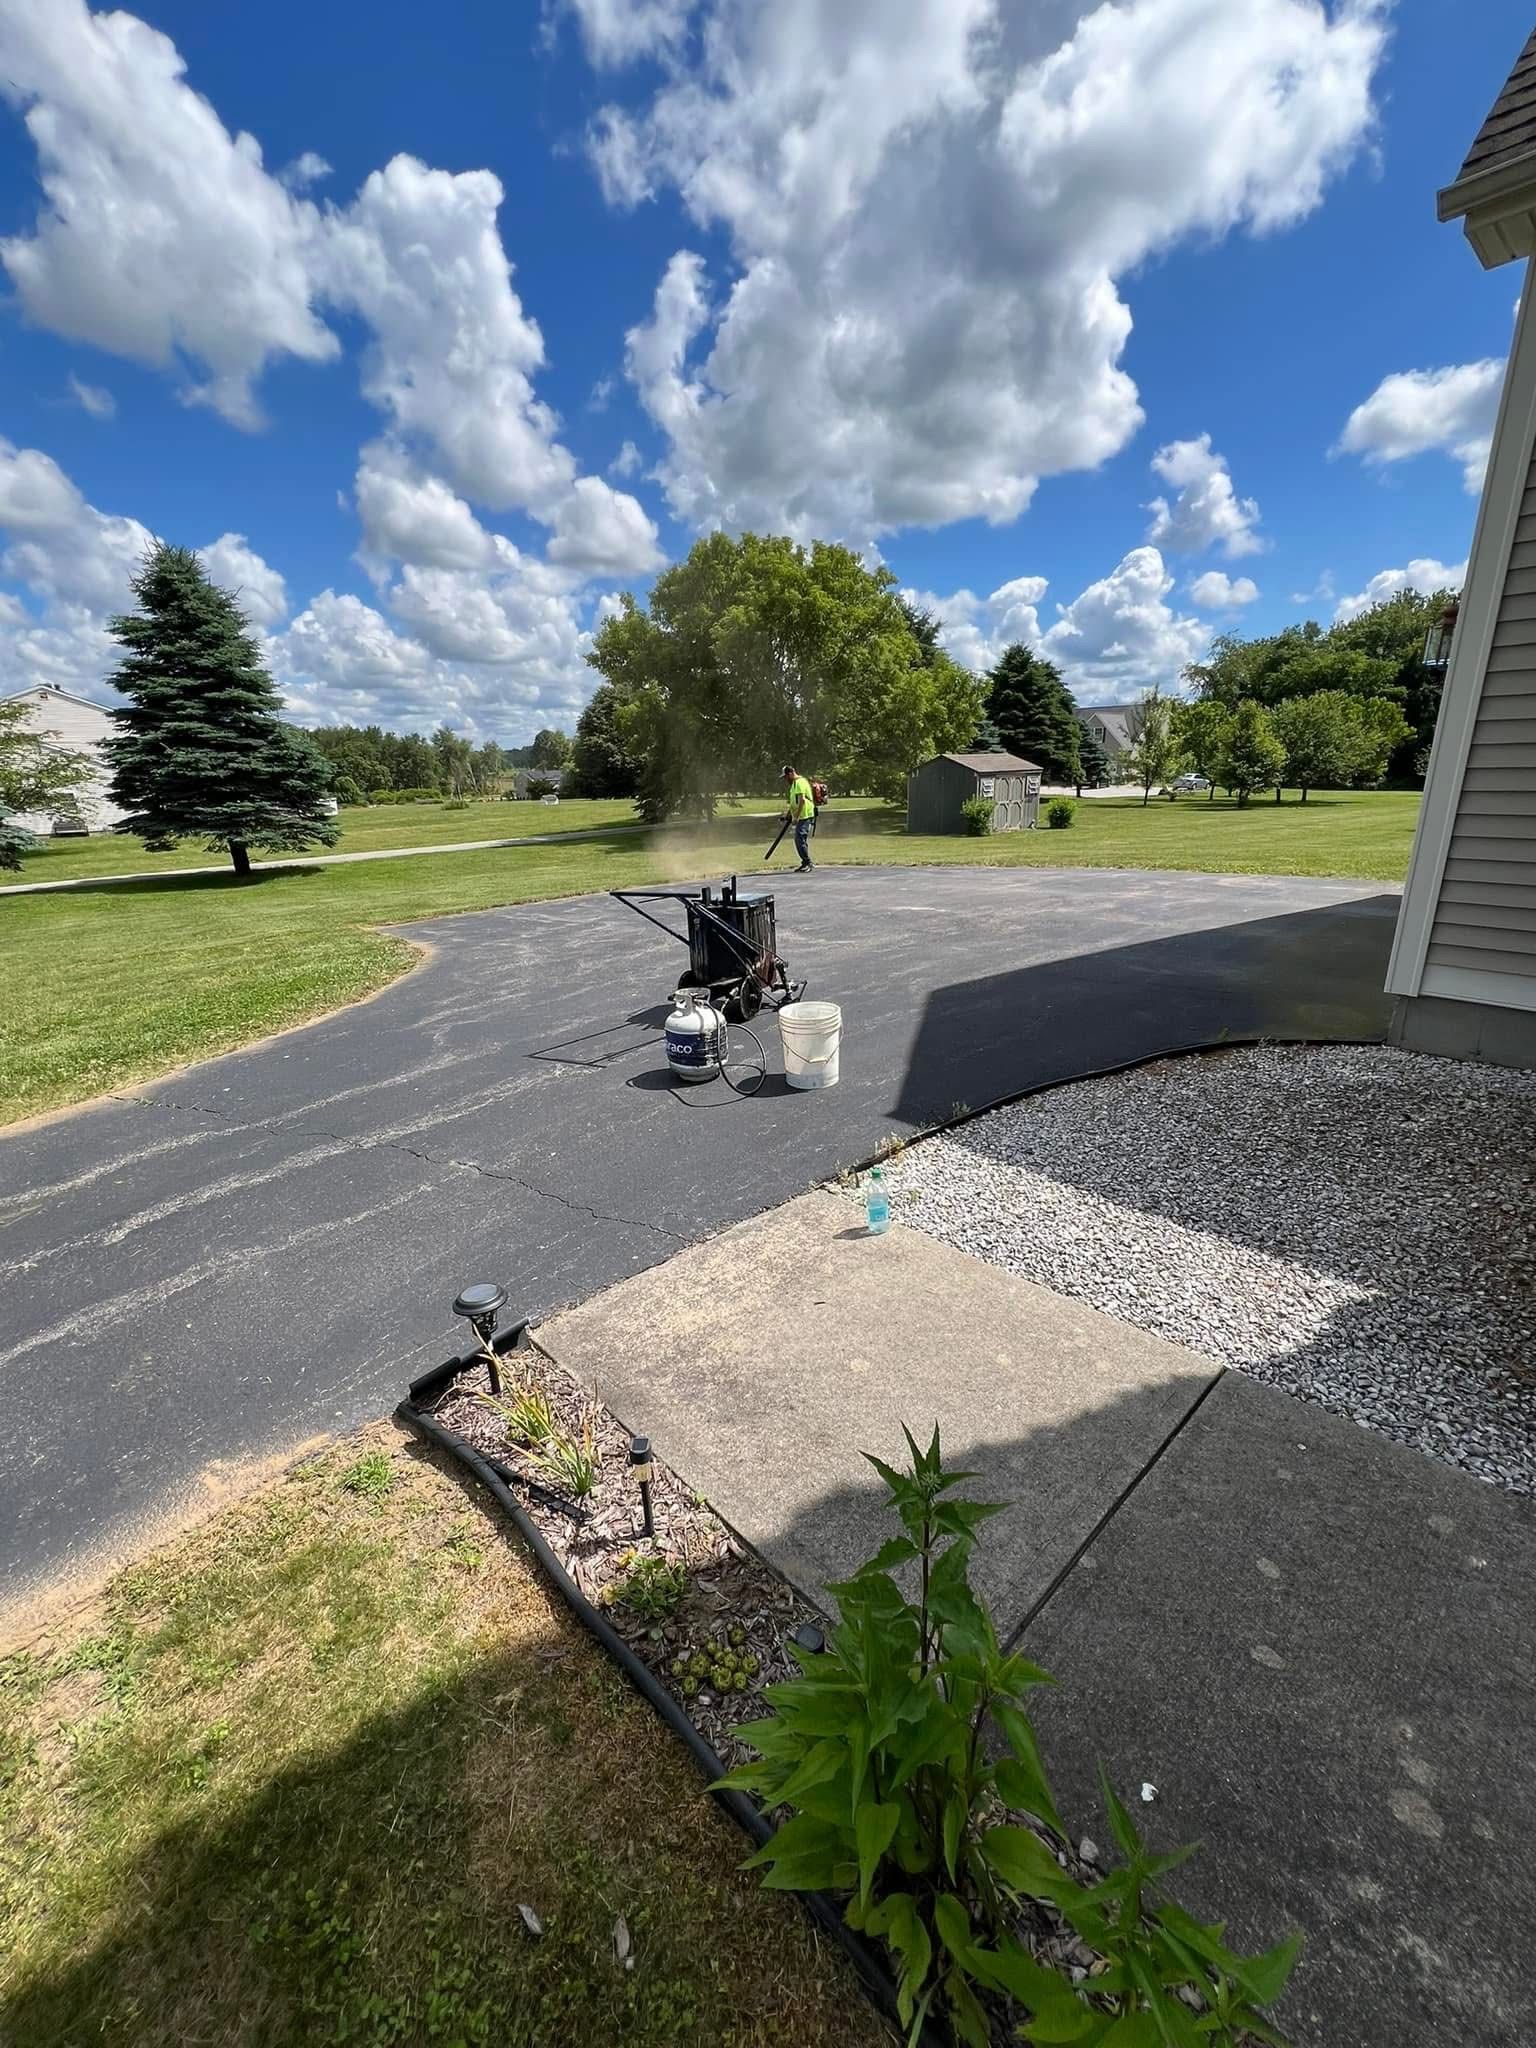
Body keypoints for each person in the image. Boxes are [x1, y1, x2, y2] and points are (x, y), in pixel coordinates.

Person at [781, 763, 816, 872]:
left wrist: (796, 817)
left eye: (786, 776)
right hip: (801, 815)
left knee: (799, 838)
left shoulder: (800, 782)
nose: (786, 779)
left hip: (805, 815)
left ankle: (807, 863)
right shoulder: (794, 784)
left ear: (791, 773)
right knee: (800, 839)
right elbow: (794, 802)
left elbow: (802, 800)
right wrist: (788, 815)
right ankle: (805, 862)